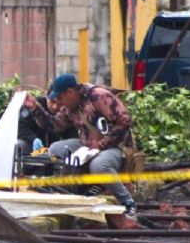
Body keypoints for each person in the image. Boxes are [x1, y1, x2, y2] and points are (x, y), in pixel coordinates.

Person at [22, 73, 138, 217]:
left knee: (99, 166)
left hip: (115, 146)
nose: (58, 103)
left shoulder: (99, 96)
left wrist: (102, 144)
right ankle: (72, 190)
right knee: (55, 149)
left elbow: (125, 121)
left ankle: (127, 201)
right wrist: (35, 108)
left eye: (60, 98)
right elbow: (54, 125)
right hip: (87, 145)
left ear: (69, 92)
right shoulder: (69, 106)